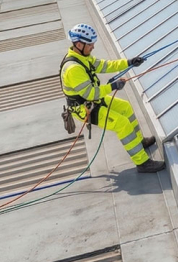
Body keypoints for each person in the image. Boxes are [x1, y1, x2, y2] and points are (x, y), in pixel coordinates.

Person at [61, 23, 164, 173]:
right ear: (78, 44)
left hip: (92, 102)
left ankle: (139, 142)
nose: (93, 47)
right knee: (121, 123)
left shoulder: (83, 57)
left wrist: (128, 62)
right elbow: (91, 93)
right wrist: (113, 86)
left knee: (125, 107)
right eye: (90, 44)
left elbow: (105, 65)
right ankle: (142, 163)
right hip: (84, 109)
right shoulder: (73, 68)